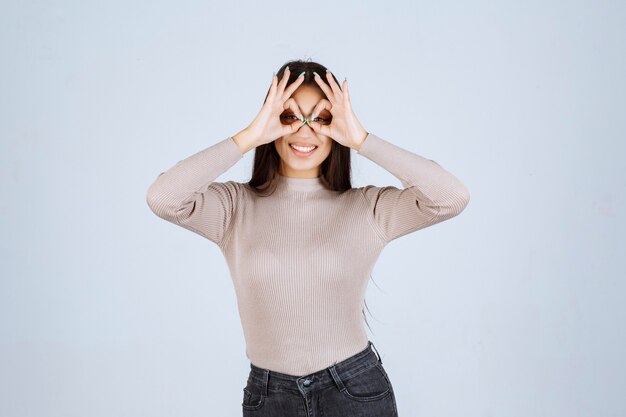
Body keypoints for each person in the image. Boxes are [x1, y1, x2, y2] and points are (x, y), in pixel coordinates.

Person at [146, 59, 470, 417]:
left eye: (321, 118)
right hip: (269, 396)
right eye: (289, 117)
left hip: (353, 390)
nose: (304, 130)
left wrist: (362, 140)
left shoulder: (367, 208)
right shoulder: (233, 207)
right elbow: (163, 198)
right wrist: (249, 136)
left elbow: (451, 197)